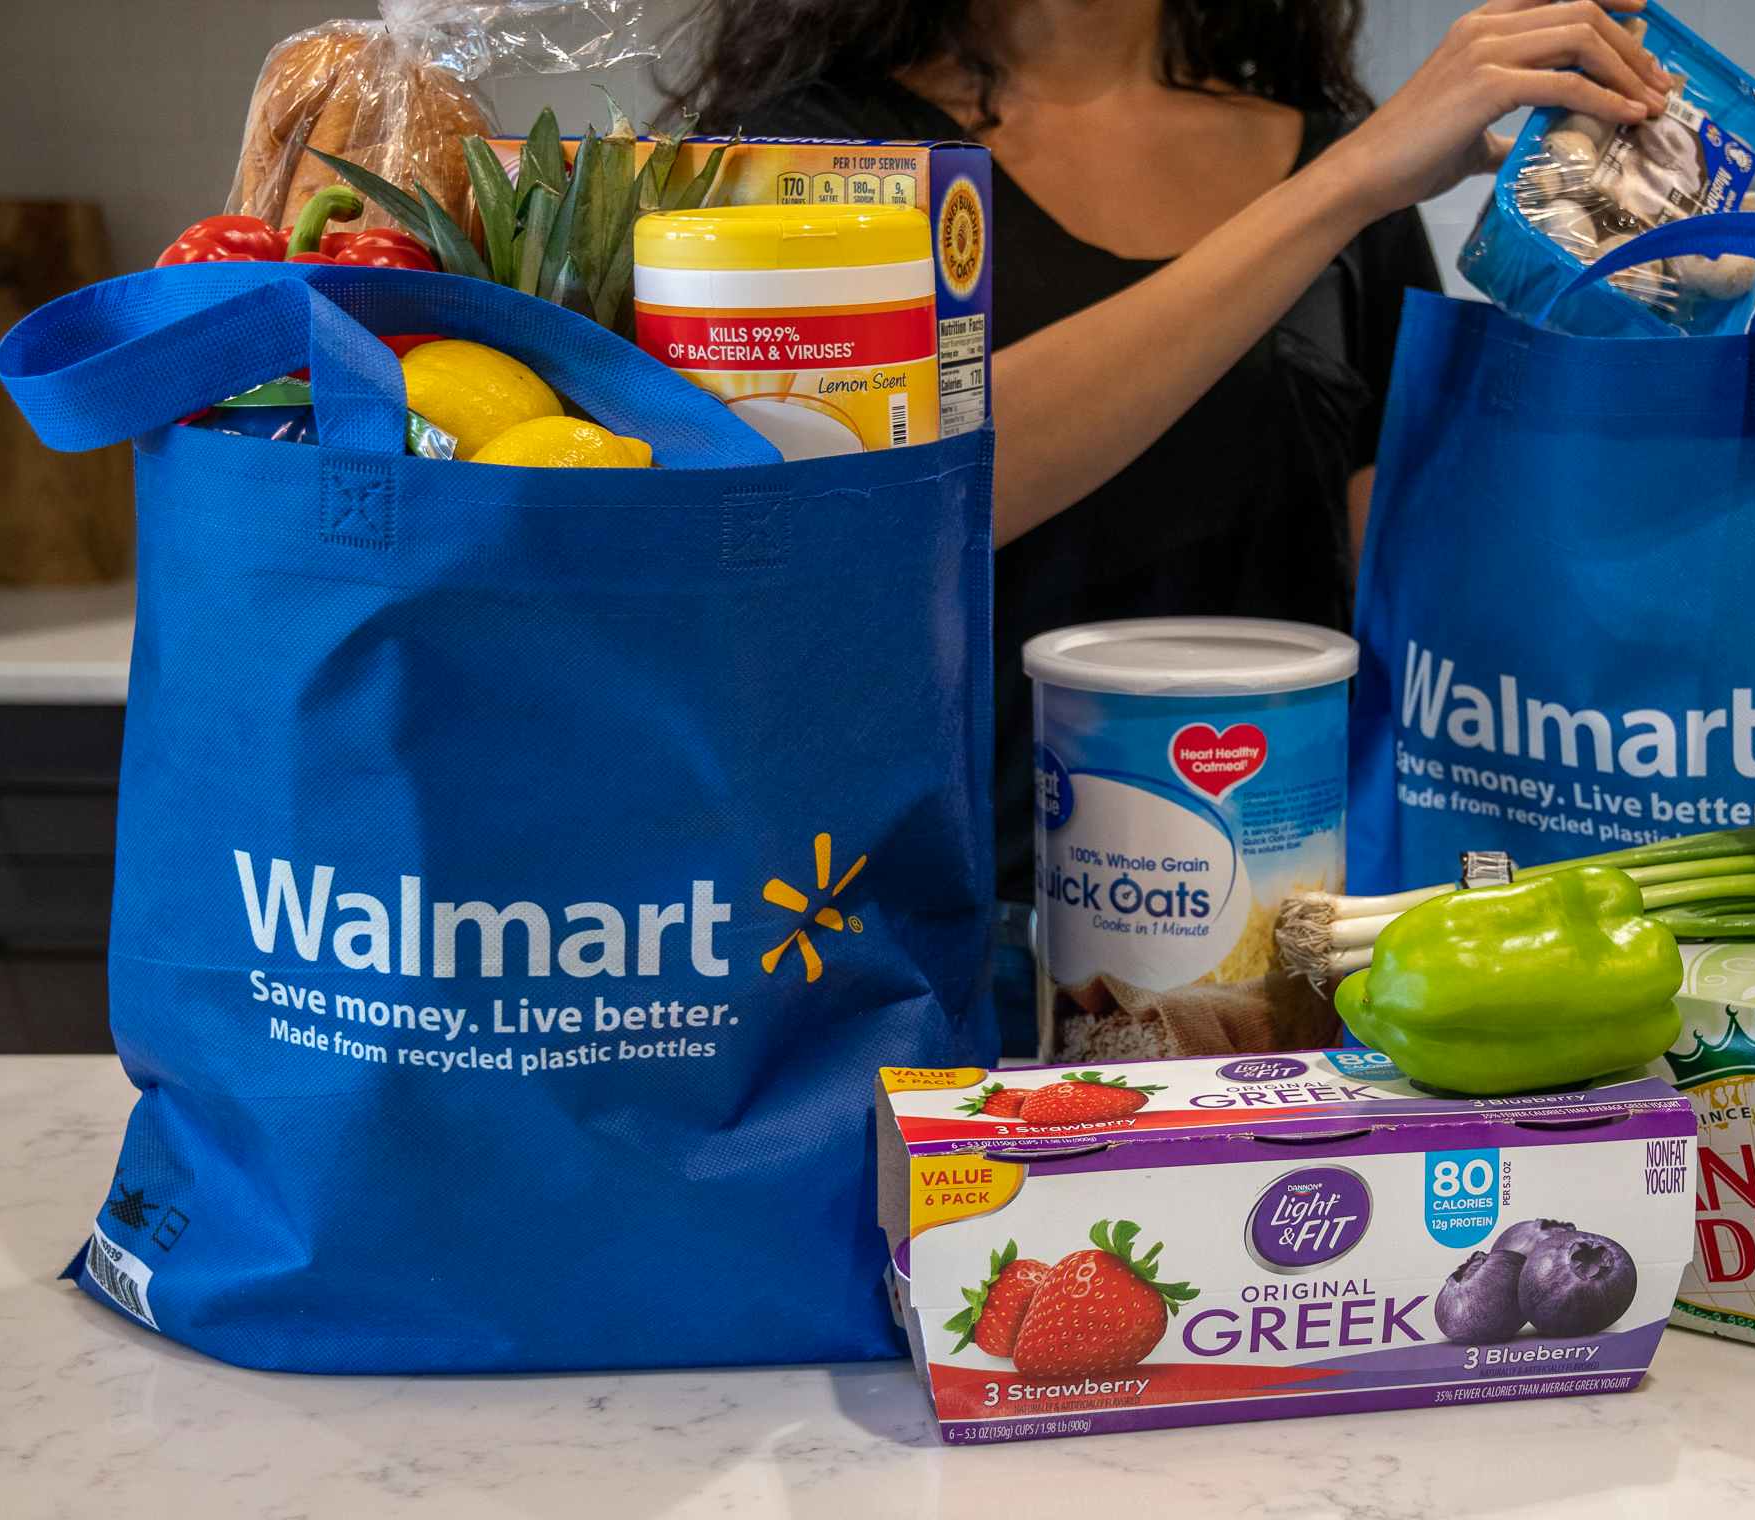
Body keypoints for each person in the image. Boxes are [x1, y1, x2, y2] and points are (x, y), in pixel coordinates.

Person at [670, 0, 1672, 1039]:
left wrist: (1632, 300)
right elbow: (896, 505)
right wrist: (1346, 186)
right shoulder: (805, 161)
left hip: (1277, 983)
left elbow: (1434, 625)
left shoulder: (1346, 168)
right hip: (926, 975)